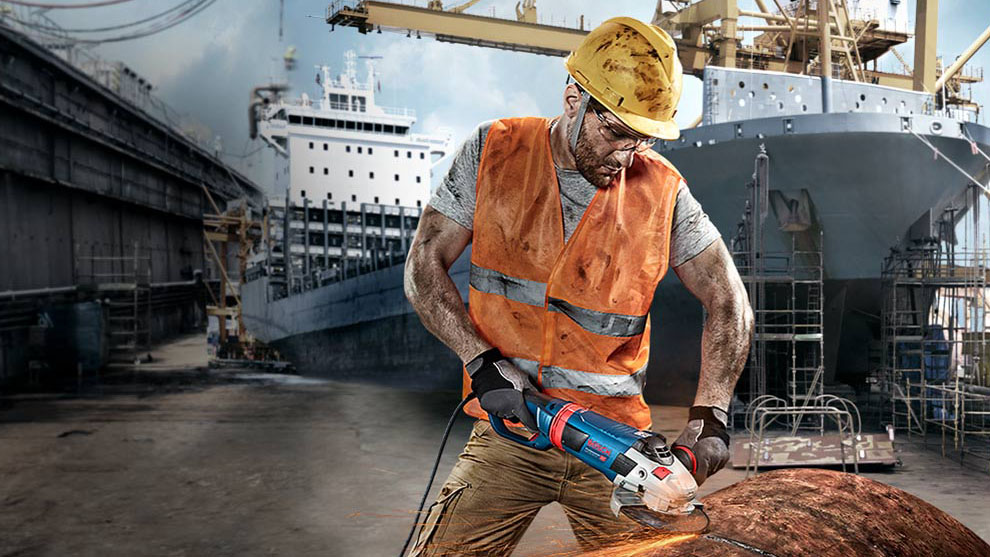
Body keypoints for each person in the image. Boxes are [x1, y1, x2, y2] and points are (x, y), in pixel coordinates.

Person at [403, 16, 753, 556]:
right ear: (574, 100)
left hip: (618, 450)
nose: (626, 154)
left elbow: (730, 302)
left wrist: (710, 417)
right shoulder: (494, 152)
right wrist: (480, 362)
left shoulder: (663, 192)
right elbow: (424, 263)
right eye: (614, 132)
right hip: (510, 430)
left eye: (640, 139)